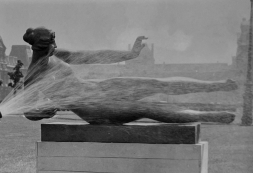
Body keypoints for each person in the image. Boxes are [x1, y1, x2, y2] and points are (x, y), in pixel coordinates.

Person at [22, 27, 237, 124]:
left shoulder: (56, 55)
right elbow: (28, 111)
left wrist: (131, 54)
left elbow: (96, 56)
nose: (56, 46)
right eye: (52, 43)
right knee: (148, 108)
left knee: (154, 83)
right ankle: (210, 117)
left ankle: (219, 84)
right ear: (40, 47)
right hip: (94, 109)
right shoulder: (33, 74)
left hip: (101, 88)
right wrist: (43, 112)